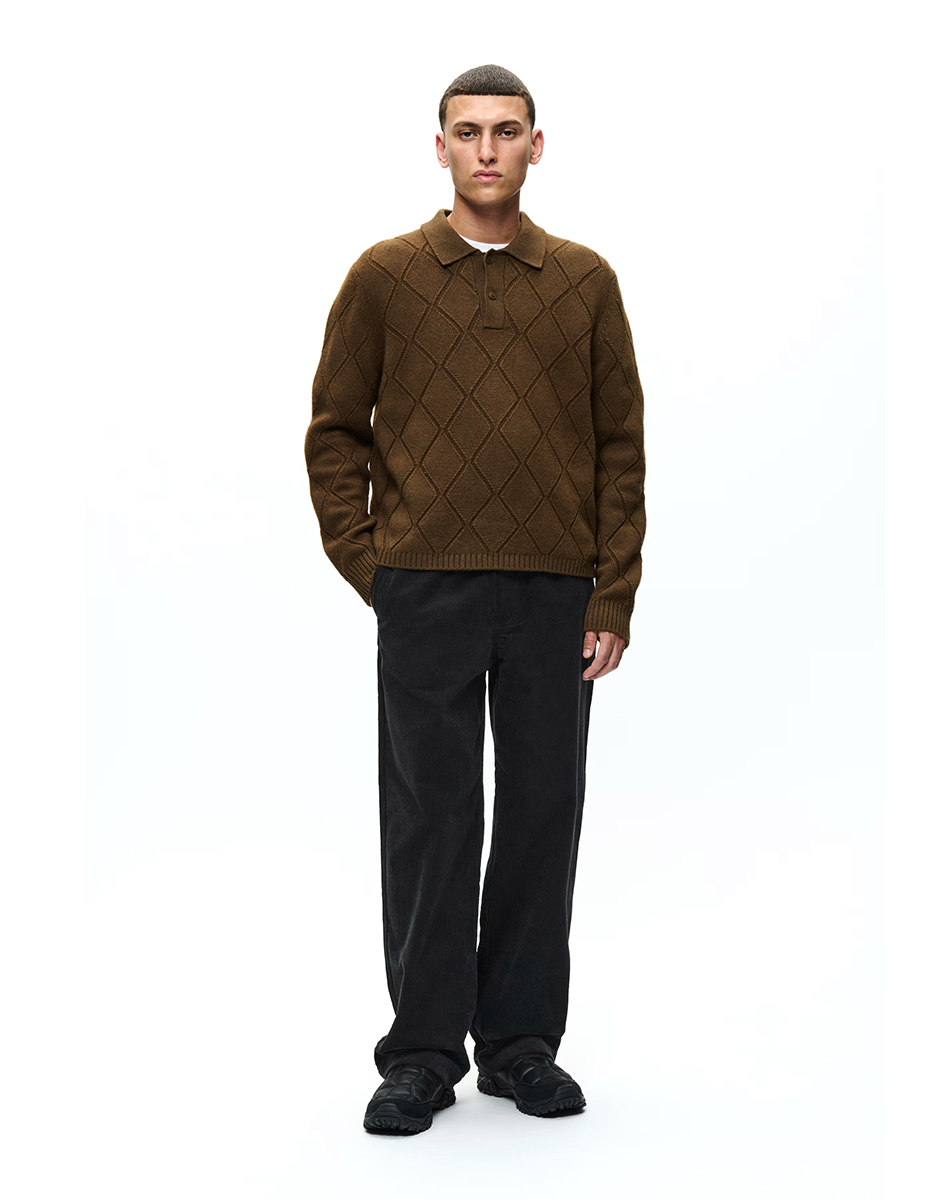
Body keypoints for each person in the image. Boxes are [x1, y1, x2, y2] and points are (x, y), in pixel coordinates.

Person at [304, 63, 647, 1135]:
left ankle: (519, 1046)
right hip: (425, 590)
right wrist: (374, 568)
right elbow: (334, 431)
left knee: (542, 814)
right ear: (440, 147)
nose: (486, 150)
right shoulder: (385, 277)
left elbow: (620, 447)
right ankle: (420, 1055)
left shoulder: (584, 281)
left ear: (536, 146)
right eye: (468, 132)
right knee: (431, 820)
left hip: (555, 592)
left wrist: (613, 594)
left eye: (506, 132)